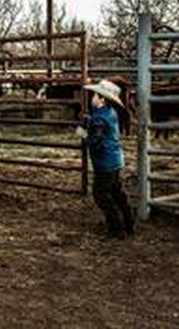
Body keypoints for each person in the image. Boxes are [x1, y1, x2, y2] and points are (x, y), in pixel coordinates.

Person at [76, 79, 135, 239]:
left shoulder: (100, 119)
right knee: (117, 193)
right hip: (116, 160)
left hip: (104, 163)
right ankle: (129, 224)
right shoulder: (109, 112)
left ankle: (116, 229)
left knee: (101, 196)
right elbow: (101, 129)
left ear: (102, 99)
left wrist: (84, 135)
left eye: (94, 95)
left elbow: (96, 142)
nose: (91, 98)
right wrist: (89, 120)